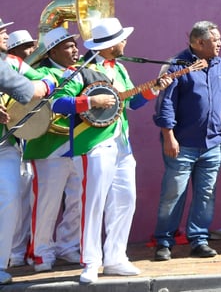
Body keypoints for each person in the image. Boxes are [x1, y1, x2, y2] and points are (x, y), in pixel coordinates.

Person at [50, 17, 169, 284]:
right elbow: (57, 103)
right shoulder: (80, 70)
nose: (126, 42)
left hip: (122, 144)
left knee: (126, 200)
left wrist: (153, 90)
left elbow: (131, 103)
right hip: (93, 145)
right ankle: (91, 262)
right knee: (92, 204)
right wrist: (90, 100)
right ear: (111, 44)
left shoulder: (121, 69)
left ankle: (115, 257)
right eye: (122, 39)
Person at [153, 21, 221, 261]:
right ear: (199, 42)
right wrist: (168, 136)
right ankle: (164, 242)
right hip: (181, 145)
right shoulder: (178, 66)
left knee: (206, 194)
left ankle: (199, 240)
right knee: (174, 193)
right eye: (216, 40)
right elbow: (166, 103)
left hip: (213, 144)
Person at [24, 28, 86, 273]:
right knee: (46, 204)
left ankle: (68, 246)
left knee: (77, 201)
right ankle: (40, 252)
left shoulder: (81, 71)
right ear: (52, 51)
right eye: (69, 46)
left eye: (75, 45)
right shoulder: (41, 73)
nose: (75, 50)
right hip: (48, 146)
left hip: (79, 144)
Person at [0, 19, 53, 286]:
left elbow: (46, 79)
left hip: (5, 145)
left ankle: (0, 264)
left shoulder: (11, 63)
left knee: (8, 199)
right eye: (1, 31)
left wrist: (47, 84)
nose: (5, 34)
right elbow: (30, 90)